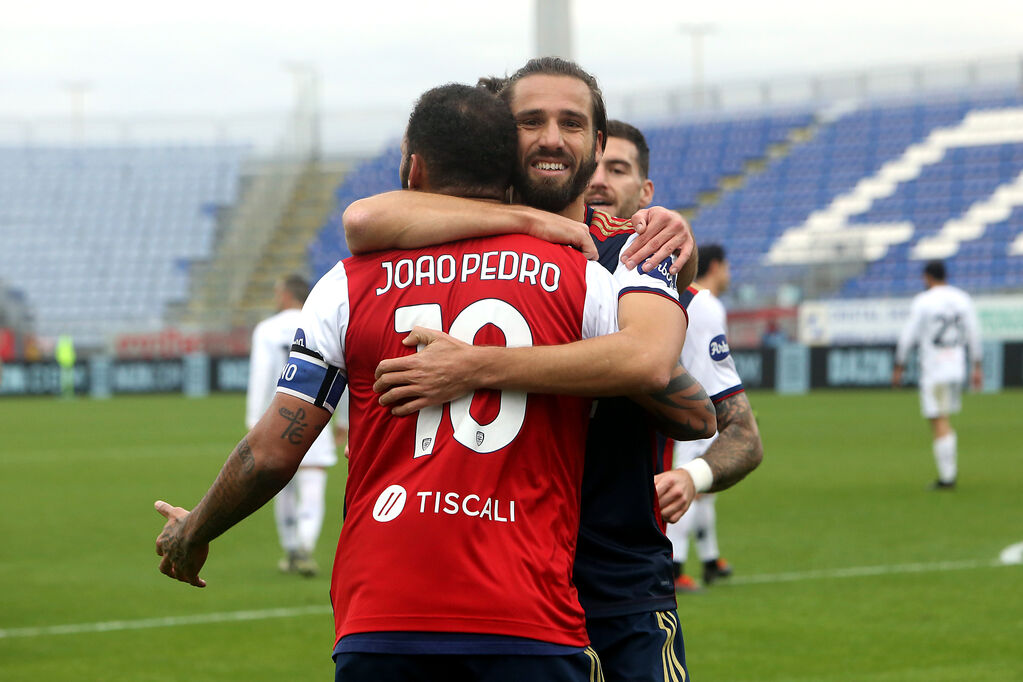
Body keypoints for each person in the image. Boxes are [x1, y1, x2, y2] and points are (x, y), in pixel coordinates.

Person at [155, 82, 664, 681]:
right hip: (528, 618)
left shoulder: (345, 284)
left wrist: (197, 527)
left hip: (383, 618)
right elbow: (672, 393)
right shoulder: (581, 276)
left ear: (413, 166)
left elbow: (271, 452)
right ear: (509, 171)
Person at [349, 61, 720, 682]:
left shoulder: (635, 249)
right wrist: (532, 223)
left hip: (617, 579)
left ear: (597, 145)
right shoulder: (450, 237)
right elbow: (362, 220)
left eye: (571, 123)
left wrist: (479, 367)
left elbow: (694, 409)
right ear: (503, 139)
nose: (551, 137)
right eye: (530, 122)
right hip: (497, 591)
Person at [656, 244, 764, 591]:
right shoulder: (703, 303)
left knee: (704, 488)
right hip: (696, 412)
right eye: (728, 267)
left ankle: (709, 558)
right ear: (716, 266)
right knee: (687, 484)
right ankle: (673, 569)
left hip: (691, 408)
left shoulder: (686, 298)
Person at [246, 274, 339, 576]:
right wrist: (347, 420)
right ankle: (305, 545)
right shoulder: (322, 321)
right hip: (316, 414)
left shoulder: (267, 329)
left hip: (276, 416)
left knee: (280, 485)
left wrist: (253, 421)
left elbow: (260, 378)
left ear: (285, 295)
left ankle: (290, 548)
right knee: (312, 482)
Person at [893, 260, 983, 490]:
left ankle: (947, 477)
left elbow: (908, 335)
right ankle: (948, 475)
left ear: (927, 277)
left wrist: (899, 365)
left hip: (935, 369)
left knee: (939, 420)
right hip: (957, 366)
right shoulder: (963, 298)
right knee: (943, 417)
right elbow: (974, 332)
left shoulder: (924, 301)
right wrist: (977, 366)